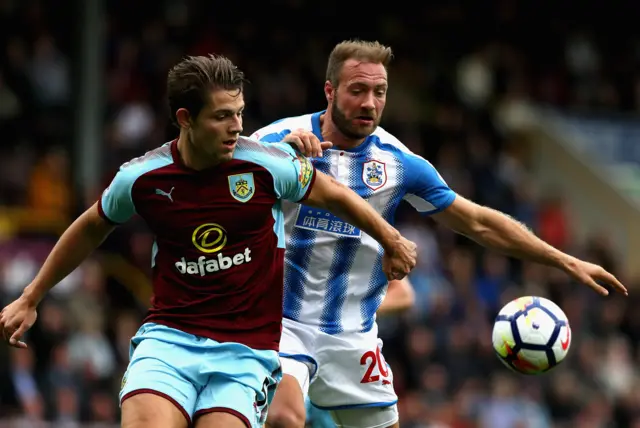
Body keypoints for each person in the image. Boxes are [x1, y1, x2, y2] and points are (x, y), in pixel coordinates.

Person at [0, 54, 418, 428]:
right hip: (169, 339)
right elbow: (92, 225)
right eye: (222, 117)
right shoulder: (143, 177)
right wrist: (31, 297)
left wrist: (391, 238)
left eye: (239, 113)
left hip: (245, 352)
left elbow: (334, 194)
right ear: (185, 118)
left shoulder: (267, 164)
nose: (237, 127)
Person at [250, 40, 627, 428]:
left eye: (379, 92)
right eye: (357, 90)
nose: (369, 103)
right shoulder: (280, 139)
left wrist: (564, 259)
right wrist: (275, 159)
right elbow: (221, 182)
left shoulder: (399, 163)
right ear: (330, 91)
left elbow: (478, 222)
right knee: (284, 418)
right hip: (282, 324)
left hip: (353, 336)